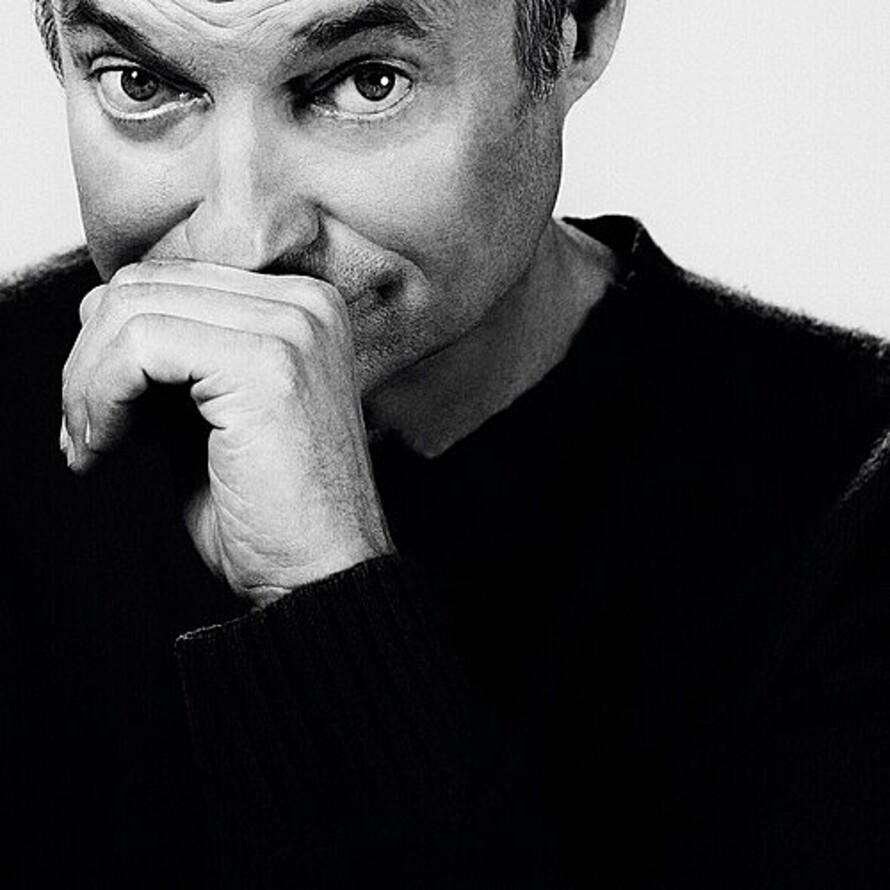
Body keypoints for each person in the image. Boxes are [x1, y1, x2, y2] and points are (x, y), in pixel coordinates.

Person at [2, 0, 889, 885]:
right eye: (140, 83)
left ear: (577, 28)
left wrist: (318, 600)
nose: (243, 242)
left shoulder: (850, 509)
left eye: (368, 83)